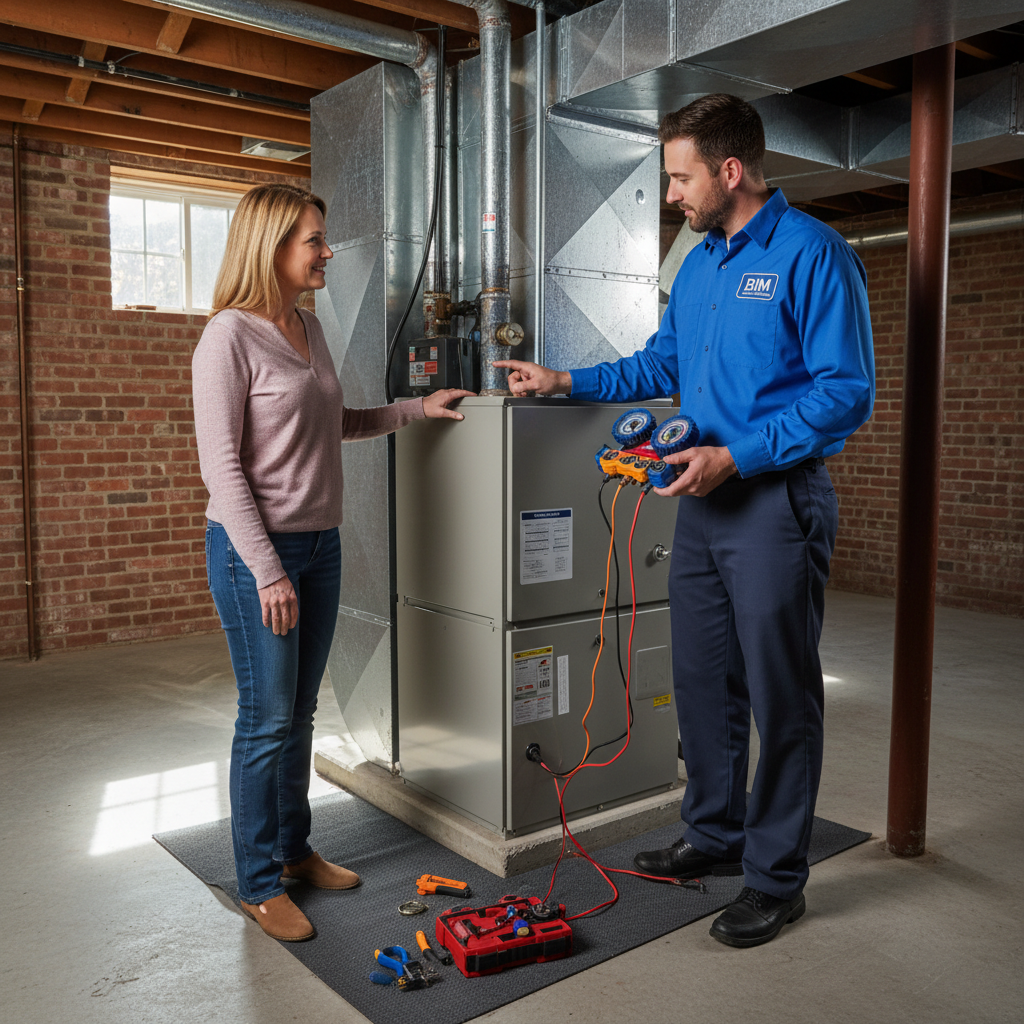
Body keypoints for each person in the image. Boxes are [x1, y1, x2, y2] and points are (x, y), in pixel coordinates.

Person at [495, 94, 874, 948]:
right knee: (703, 684)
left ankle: (776, 878)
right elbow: (662, 362)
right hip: (698, 509)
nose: (671, 194)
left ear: (728, 171)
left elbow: (844, 392)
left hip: (773, 503)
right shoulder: (698, 263)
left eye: (679, 176)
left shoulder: (814, 254)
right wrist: (564, 382)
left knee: (782, 697)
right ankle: (715, 834)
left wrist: (737, 456)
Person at [192, 184, 472, 942]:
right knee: (265, 718)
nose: (327, 252)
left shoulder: (309, 329)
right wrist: (266, 570)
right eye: (314, 240)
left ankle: (292, 852)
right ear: (272, 247)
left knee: (302, 713)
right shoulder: (228, 337)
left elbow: (337, 422)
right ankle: (256, 883)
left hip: (320, 543)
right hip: (260, 553)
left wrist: (419, 408)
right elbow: (222, 466)